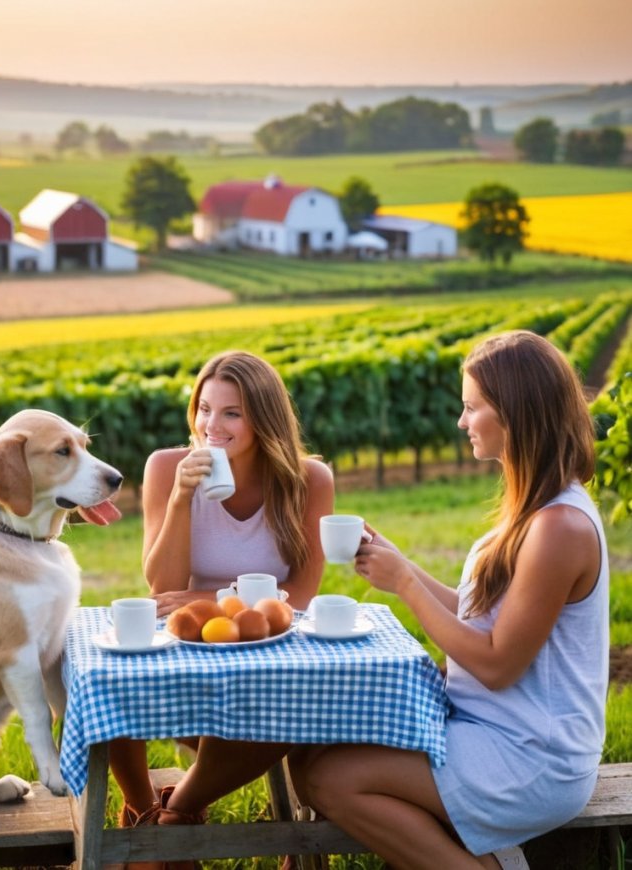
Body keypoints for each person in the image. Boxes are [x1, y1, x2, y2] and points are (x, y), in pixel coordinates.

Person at [287, 330, 609, 870]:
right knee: (314, 754)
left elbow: (497, 663)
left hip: (530, 757)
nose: (462, 422)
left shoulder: (559, 527)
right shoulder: (535, 508)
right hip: (493, 733)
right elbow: (482, 615)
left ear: (514, 413)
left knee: (328, 777)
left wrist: (408, 585)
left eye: (471, 407)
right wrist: (401, 565)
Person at [109, 350, 335, 845]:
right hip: (189, 650)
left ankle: (178, 814)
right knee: (113, 681)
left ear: (264, 420)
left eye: (231, 412)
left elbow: (300, 594)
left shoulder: (308, 480)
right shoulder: (168, 466)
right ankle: (142, 809)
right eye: (204, 409)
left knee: (284, 718)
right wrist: (180, 498)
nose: (212, 425)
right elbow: (161, 586)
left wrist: (205, 594)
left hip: (265, 653)